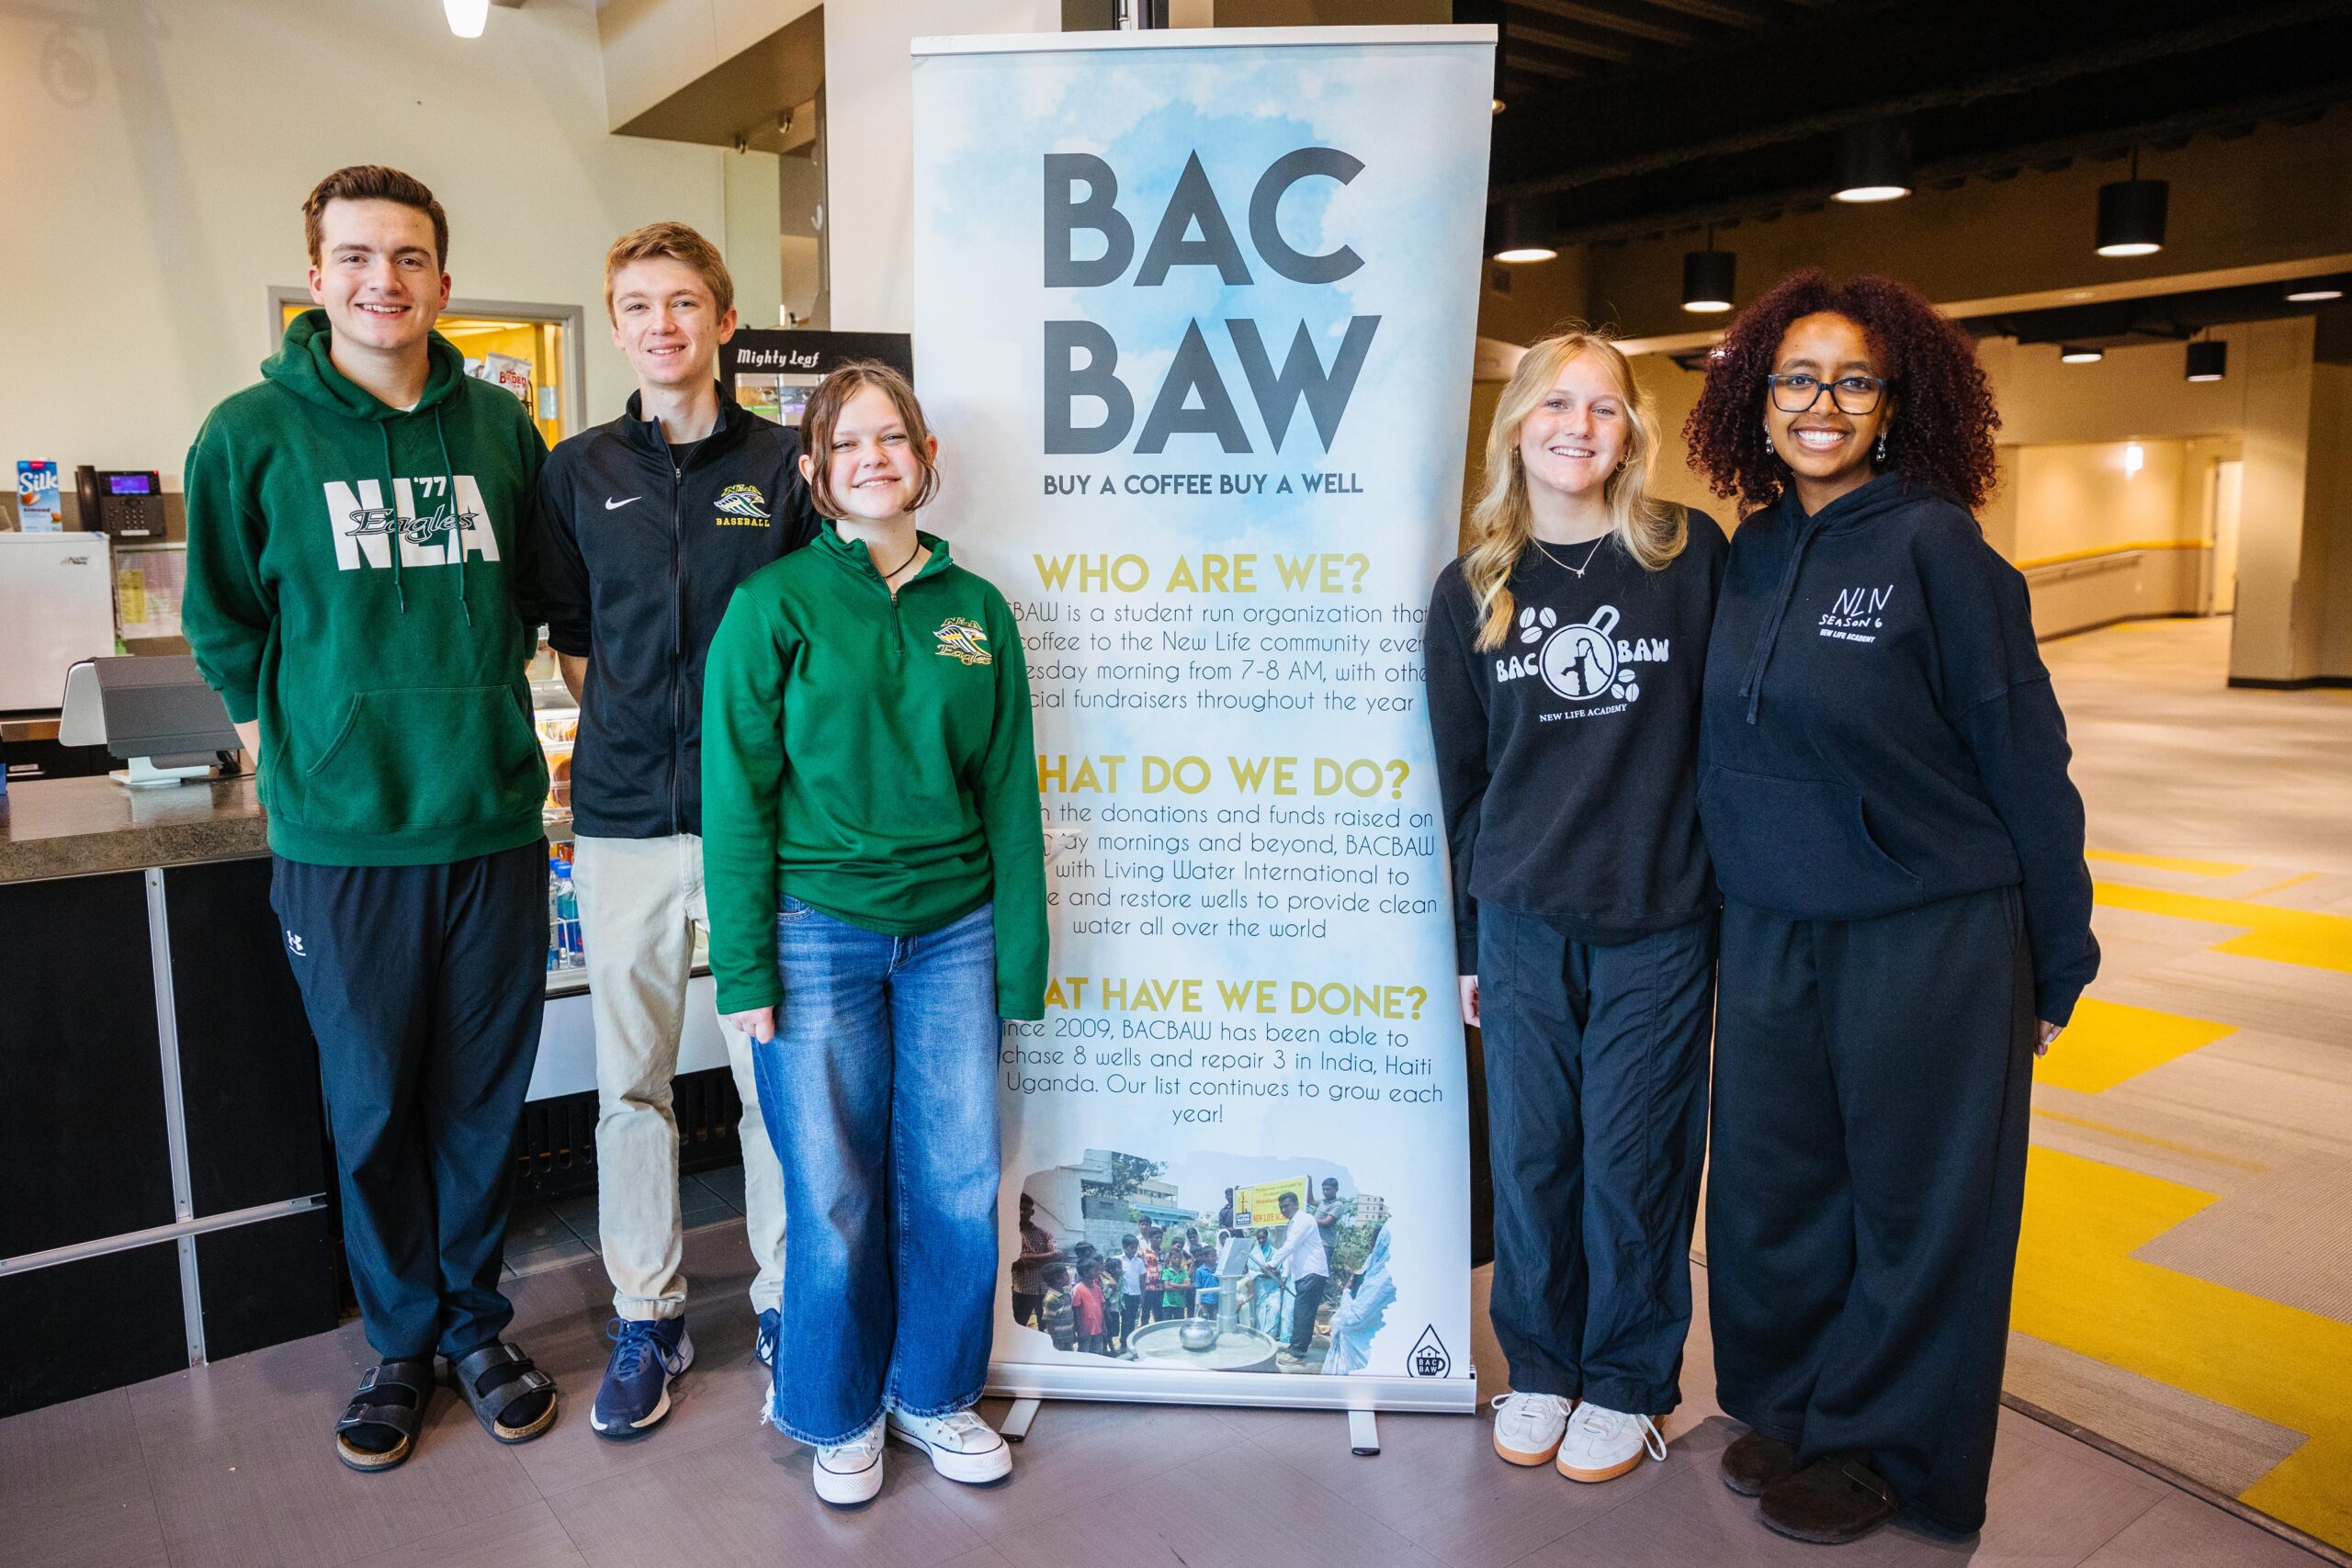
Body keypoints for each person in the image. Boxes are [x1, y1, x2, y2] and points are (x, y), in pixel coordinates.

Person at [1684, 270, 2098, 1546]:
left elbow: (2026, 756)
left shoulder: (1938, 549)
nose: (1822, 402)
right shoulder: (1748, 550)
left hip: (1927, 927)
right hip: (1771, 927)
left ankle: (1895, 1449)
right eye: (1797, 379)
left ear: (1895, 402)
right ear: (1758, 404)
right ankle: (1802, 1402)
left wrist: (2056, 953)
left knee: (1921, 1205)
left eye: (1852, 380)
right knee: (1772, 1188)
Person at [184, 165, 558, 1472]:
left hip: (493, 828)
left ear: (443, 281)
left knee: (481, 1101)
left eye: (406, 257)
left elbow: (533, 600)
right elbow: (224, 616)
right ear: (316, 275)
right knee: (371, 1105)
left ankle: (475, 1324)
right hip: (342, 844)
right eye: (355, 257)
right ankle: (399, 1340)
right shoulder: (249, 434)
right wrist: (281, 743)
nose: (381, 280)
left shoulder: (504, 434)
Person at [704, 360, 1047, 1506]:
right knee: (835, 1194)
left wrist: (1020, 958)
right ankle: (837, 1410)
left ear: (924, 458)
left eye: (890, 438)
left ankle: (935, 1394)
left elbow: (1010, 796)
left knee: (954, 1179)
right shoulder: (773, 607)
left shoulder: (976, 612)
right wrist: (745, 965)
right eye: (845, 444)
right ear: (812, 473)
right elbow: (737, 798)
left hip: (956, 931)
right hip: (815, 935)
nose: (871, 459)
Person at [533, 220, 819, 1440]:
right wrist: (647, 743)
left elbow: (816, 636)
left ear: (724, 317)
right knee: (631, 1083)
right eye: (640, 304)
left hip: (760, 824)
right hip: (625, 824)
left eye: (685, 301)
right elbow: (574, 641)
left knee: (775, 1082)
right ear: (616, 323)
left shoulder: (787, 463)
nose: (664, 323)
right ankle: (649, 1315)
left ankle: (791, 1303)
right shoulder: (576, 469)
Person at [1424, 327, 1725, 1483]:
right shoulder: (1472, 590)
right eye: (1556, 405)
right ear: (1515, 428)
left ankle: (1630, 1379)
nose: (1578, 428)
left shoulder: (1683, 557)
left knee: (1635, 1158)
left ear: (1632, 433)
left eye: (1604, 410)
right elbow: (1459, 788)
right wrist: (1465, 943)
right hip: (1519, 919)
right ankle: (1543, 1365)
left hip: (1659, 916)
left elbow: (1729, 741)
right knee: (1537, 1156)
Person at [1264, 1190, 1330, 1365]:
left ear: (1295, 1204)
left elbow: (1290, 1246)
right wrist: (1285, 1274)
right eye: (1281, 1207)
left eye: (1287, 1206)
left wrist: (1272, 1263)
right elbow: (1292, 1254)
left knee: (1303, 1313)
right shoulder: (1293, 1224)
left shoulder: (1304, 1220)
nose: (1284, 1210)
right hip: (1303, 1275)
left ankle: (1298, 1353)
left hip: (1312, 1272)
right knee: (1300, 1312)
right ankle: (1295, 1346)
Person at [1320, 1223, 1396, 1376]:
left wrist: (1346, 1291)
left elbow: (1354, 1316)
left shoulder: (1384, 1277)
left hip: (1360, 1350)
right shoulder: (1375, 1266)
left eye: (1374, 1245)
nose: (1371, 1249)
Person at [1012, 1193, 1057, 1330]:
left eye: (1026, 1209)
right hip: (1022, 1291)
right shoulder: (1010, 1233)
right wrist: (1047, 1257)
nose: (1022, 1212)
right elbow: (1018, 1260)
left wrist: (1029, 1258)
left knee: (1047, 1328)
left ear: (1032, 1212)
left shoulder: (1044, 1233)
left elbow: (1058, 1254)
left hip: (1044, 1290)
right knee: (1019, 1327)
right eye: (1019, 1208)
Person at [1073, 1261, 1109, 1355]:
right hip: (1085, 1330)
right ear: (1086, 1273)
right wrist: (1080, 1330)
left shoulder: (1097, 1288)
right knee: (1084, 1354)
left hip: (1098, 1328)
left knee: (1097, 1353)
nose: (1098, 1272)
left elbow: (1101, 1307)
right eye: (1095, 1270)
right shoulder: (1078, 1289)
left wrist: (1103, 1324)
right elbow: (1076, 1311)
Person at [1117, 1235, 1147, 1348]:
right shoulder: (1118, 1259)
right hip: (1123, 1294)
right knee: (1124, 1319)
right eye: (1131, 1248)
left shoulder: (1139, 1262)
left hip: (1135, 1294)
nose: (1134, 1250)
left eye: (1135, 1248)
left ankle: (1130, 1342)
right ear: (1124, 1247)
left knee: (1133, 1320)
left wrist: (1143, 1296)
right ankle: (1123, 1343)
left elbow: (1142, 1281)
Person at [1042, 1264, 1078, 1354]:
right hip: (1058, 1340)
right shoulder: (1051, 1299)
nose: (1068, 1276)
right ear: (1058, 1279)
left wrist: (1073, 1333)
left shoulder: (1065, 1293)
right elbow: (1049, 1322)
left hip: (1068, 1337)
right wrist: (1054, 1341)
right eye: (1065, 1274)